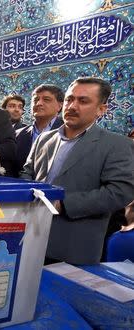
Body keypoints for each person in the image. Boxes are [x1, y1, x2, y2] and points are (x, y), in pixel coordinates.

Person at [21, 77, 134, 265]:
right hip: (29, 239)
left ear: (101, 109)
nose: (72, 106)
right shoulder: (44, 139)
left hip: (73, 249)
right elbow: (27, 173)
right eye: (69, 99)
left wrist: (62, 204)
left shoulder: (117, 145)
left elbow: (119, 192)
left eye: (83, 101)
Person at [15, 84, 64, 176]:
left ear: (60, 106)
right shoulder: (17, 134)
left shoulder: (69, 133)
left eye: (46, 99)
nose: (38, 103)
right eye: (36, 100)